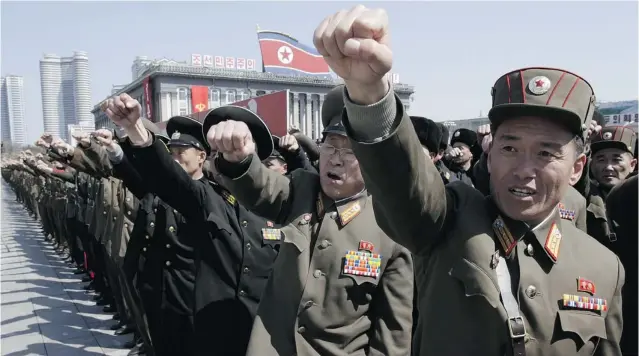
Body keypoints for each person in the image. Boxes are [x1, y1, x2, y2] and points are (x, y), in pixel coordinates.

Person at [312, 5, 624, 356]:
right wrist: (369, 95)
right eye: (510, 147)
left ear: (578, 167)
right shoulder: (450, 220)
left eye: (545, 154)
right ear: (489, 156)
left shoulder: (603, 267)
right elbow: (405, 185)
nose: (523, 168)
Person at [206, 85, 415, 356]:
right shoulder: (300, 190)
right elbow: (261, 186)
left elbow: (392, 335)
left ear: (372, 160)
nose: (335, 160)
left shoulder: (390, 229)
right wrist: (239, 160)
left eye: (349, 151)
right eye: (330, 145)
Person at [102, 98, 280, 356]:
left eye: (241, 140)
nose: (230, 147)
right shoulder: (209, 199)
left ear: (258, 155)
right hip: (209, 337)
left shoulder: (281, 207)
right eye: (222, 144)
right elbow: (170, 180)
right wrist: (136, 130)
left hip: (263, 337)